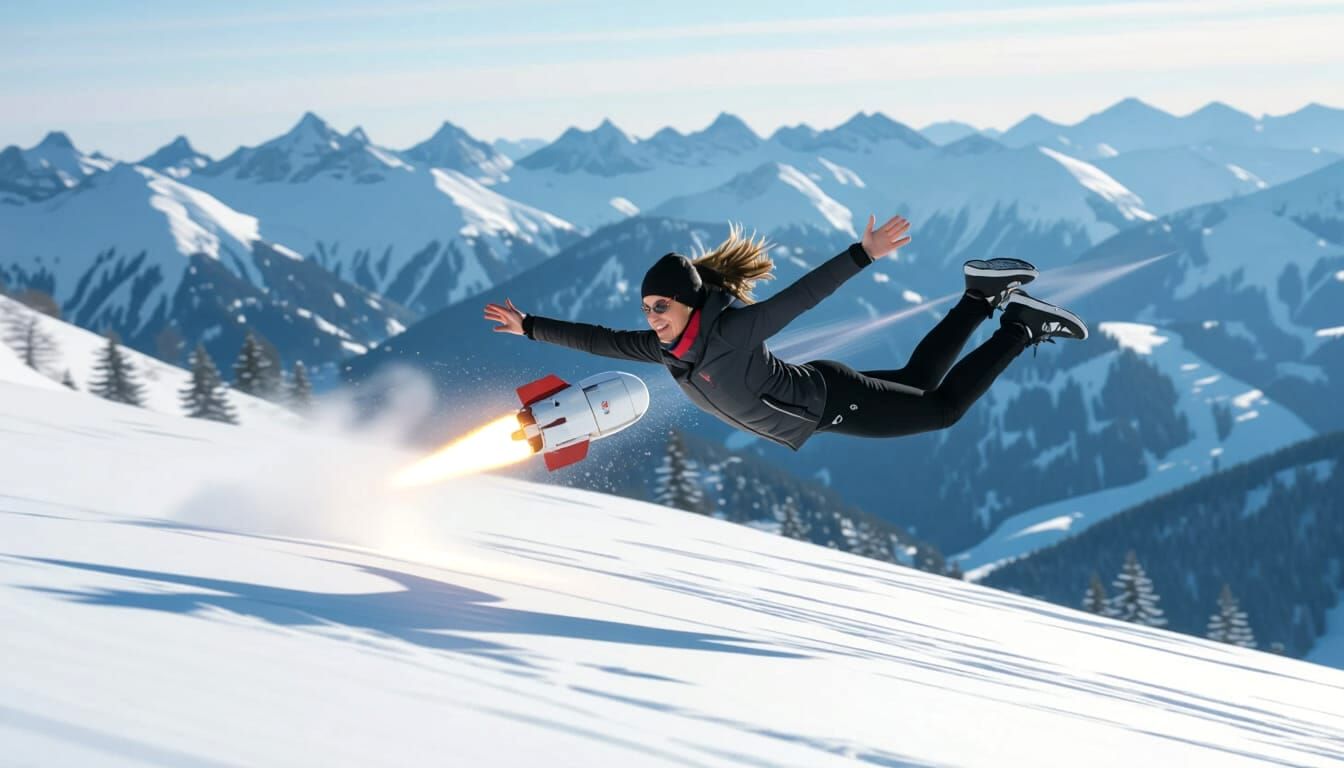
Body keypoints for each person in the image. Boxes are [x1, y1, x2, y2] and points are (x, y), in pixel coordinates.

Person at [482, 215, 1087, 451]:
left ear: (691, 303)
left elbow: (804, 296)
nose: (649, 315)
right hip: (823, 395)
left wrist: (863, 253)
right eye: (645, 306)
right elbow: (595, 339)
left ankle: (1015, 326)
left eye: (660, 304)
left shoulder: (735, 329)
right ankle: (979, 297)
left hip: (829, 401)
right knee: (920, 382)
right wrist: (529, 326)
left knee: (942, 408)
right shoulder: (665, 350)